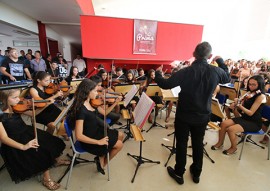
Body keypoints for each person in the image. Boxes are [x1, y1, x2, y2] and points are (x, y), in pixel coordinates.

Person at [154, 42, 230, 184]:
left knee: (182, 144)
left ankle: (179, 173)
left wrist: (158, 73)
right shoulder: (215, 71)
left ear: (194, 54)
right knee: (198, 143)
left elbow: (165, 84)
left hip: (184, 115)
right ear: (210, 56)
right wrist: (220, 61)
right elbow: (227, 77)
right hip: (202, 116)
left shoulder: (185, 71)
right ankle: (196, 174)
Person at [0, 88, 65, 190]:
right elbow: (4, 138)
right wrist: (23, 146)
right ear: (4, 99)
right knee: (41, 152)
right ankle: (46, 179)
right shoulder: (1, 115)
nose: (19, 99)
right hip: (15, 140)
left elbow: (33, 114)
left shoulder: (16, 107)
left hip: (26, 131)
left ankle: (55, 160)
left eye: (18, 96)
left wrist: (46, 104)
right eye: (15, 97)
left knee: (51, 141)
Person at [68, 79, 124, 175]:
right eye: (94, 90)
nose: (97, 93)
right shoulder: (81, 110)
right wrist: (99, 142)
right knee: (120, 145)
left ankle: (101, 155)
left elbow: (105, 113)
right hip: (90, 139)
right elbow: (79, 136)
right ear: (87, 91)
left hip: (96, 131)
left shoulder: (91, 102)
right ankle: (103, 163)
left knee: (121, 135)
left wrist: (115, 102)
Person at [211, 75, 266, 154]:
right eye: (249, 84)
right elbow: (242, 108)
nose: (251, 86)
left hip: (254, 122)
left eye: (254, 85)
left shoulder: (261, 96)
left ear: (260, 85)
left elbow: (250, 113)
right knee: (223, 124)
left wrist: (239, 105)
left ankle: (234, 148)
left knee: (231, 129)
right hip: (244, 118)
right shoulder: (249, 93)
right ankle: (220, 143)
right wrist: (236, 104)